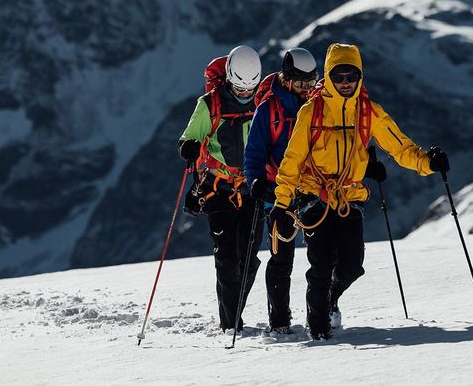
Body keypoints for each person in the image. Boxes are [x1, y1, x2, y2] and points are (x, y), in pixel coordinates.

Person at [269, 43, 448, 340]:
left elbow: (400, 147)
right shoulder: (310, 112)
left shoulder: (369, 112)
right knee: (321, 265)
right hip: (314, 195)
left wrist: (428, 162)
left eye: (350, 77)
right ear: (327, 76)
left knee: (352, 265)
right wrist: (282, 204)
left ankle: (329, 301)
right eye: (338, 77)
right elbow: (292, 160)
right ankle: (319, 330)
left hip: (350, 197)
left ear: (359, 77)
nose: (344, 83)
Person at [177, 45, 264, 334]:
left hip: (252, 188)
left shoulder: (262, 102)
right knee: (227, 260)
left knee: (249, 259)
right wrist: (188, 147)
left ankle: (234, 310)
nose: (244, 94)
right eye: (239, 89)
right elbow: (190, 137)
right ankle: (231, 325)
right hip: (218, 189)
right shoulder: (209, 104)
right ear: (228, 78)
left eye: (249, 90)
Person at [242, 48, 324, 336]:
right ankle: (279, 320)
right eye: (301, 84)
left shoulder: (318, 107)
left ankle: (323, 313)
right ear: (287, 80)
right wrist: (255, 182)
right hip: (278, 193)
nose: (306, 89)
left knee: (324, 256)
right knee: (282, 258)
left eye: (311, 82)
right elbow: (253, 155)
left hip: (314, 190)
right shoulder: (268, 111)